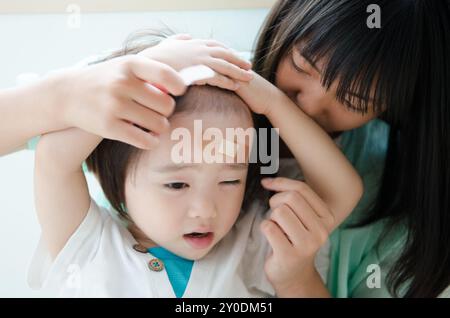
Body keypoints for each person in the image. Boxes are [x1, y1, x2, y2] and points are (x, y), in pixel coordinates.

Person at [28, 47, 362, 296]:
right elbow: (54, 159)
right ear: (109, 178)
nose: (206, 209)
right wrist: (159, 66)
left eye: (230, 180)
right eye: (176, 184)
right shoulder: (89, 242)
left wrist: (271, 102)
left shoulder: (254, 243)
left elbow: (342, 191)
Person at [249, 0, 450, 297]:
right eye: (302, 65)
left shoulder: (396, 197)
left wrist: (297, 280)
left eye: (353, 100)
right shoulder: (208, 100)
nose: (309, 105)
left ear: (389, 107)